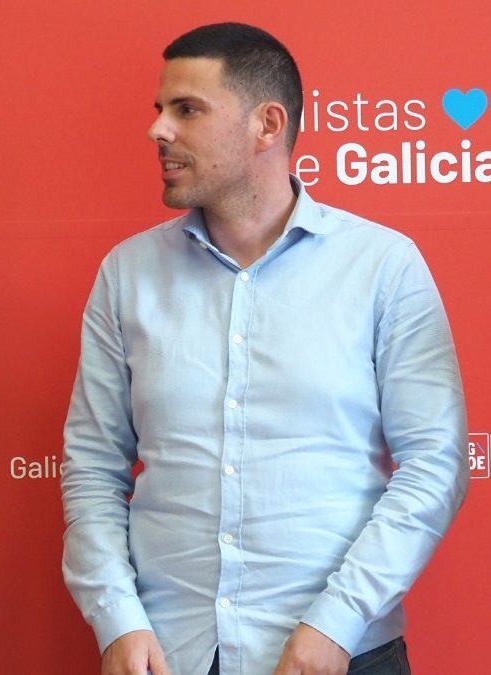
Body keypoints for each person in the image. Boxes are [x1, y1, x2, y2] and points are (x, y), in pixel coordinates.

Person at [61, 22, 467, 675]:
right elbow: (92, 467)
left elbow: (434, 465)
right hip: (168, 654)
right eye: (160, 109)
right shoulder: (127, 273)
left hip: (348, 653)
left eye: (187, 109)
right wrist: (117, 621)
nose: (157, 129)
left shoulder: (382, 266)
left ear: (267, 124)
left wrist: (334, 625)